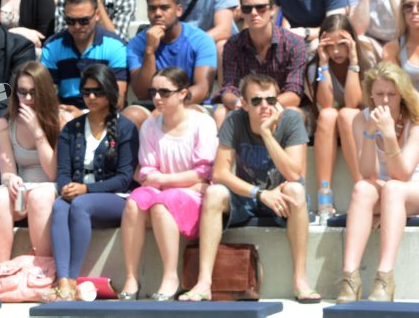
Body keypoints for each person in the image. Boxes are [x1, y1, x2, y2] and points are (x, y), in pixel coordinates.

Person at [181, 74, 318, 303]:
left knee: (296, 190)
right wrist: (260, 194)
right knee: (215, 193)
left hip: (282, 197)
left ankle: (300, 279)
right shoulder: (235, 120)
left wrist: (267, 133)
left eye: (271, 100)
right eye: (256, 101)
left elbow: (294, 174)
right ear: (244, 104)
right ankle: (204, 282)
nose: (265, 106)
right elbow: (220, 173)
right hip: (250, 196)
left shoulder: (291, 120)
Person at [118, 66, 218, 301]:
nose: (156, 98)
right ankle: (131, 278)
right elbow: (148, 171)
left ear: (183, 93)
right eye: (154, 92)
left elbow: (204, 171)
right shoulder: (150, 126)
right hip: (170, 189)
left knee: (163, 204)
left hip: (188, 195)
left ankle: (170, 277)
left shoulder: (202, 123)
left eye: (164, 92)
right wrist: (174, 181)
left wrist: (164, 180)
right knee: (133, 202)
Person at [45, 64, 137, 301]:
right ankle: (63, 280)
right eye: (86, 92)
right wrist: (65, 187)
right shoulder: (71, 129)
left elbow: (125, 179)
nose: (92, 97)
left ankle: (73, 278)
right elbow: (63, 171)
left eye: (98, 92)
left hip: (116, 199)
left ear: (110, 92)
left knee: (80, 205)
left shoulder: (125, 128)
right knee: (59, 206)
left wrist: (87, 189)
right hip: (77, 196)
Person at [337, 62, 419, 304]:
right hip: (383, 190)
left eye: (391, 95)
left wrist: (391, 137)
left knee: (394, 188)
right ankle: (350, 278)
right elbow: (367, 174)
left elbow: (403, 175)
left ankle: (384, 277)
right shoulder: (361, 119)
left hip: (411, 187)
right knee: (362, 189)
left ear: (402, 95)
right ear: (370, 94)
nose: (385, 101)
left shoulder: (415, 121)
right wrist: (371, 134)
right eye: (380, 94)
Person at [0, 62, 60, 270]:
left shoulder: (59, 119)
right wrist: (11, 180)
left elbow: (53, 172)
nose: (27, 99)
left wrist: (38, 132)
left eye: (33, 93)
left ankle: (43, 268)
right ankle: (2, 270)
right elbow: (6, 170)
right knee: (0, 197)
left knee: (39, 196)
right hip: (23, 186)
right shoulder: (4, 124)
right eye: (22, 92)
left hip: (49, 187)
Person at [218, 0, 308, 126]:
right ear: (241, 12)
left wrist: (261, 105)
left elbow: (294, 93)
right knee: (220, 112)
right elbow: (229, 88)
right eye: (247, 8)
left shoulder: (294, 44)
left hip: (279, 106)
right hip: (246, 107)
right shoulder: (233, 45)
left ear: (272, 10)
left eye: (260, 7)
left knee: (294, 114)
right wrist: (238, 102)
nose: (254, 13)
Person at [126, 0, 218, 124]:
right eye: (152, 8)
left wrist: (171, 106)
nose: (157, 13)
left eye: (164, 8)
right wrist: (149, 51)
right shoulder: (137, 44)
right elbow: (142, 93)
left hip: (189, 103)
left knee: (194, 115)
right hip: (152, 105)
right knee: (131, 115)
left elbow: (203, 89)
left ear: (178, 10)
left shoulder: (201, 40)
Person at [40, 0, 127, 112]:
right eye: (70, 20)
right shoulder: (52, 47)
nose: (77, 26)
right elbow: (47, 96)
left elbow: (118, 100)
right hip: (65, 114)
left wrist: (83, 116)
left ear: (97, 15)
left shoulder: (115, 46)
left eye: (84, 20)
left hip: (105, 115)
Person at [310, 14, 366, 209]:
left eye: (342, 44)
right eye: (329, 45)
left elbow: (353, 102)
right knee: (328, 114)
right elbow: (326, 103)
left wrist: (354, 61)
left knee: (346, 113)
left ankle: (362, 187)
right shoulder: (315, 65)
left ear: (351, 41)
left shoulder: (366, 58)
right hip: (330, 128)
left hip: (359, 126)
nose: (336, 51)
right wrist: (323, 64)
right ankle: (324, 193)